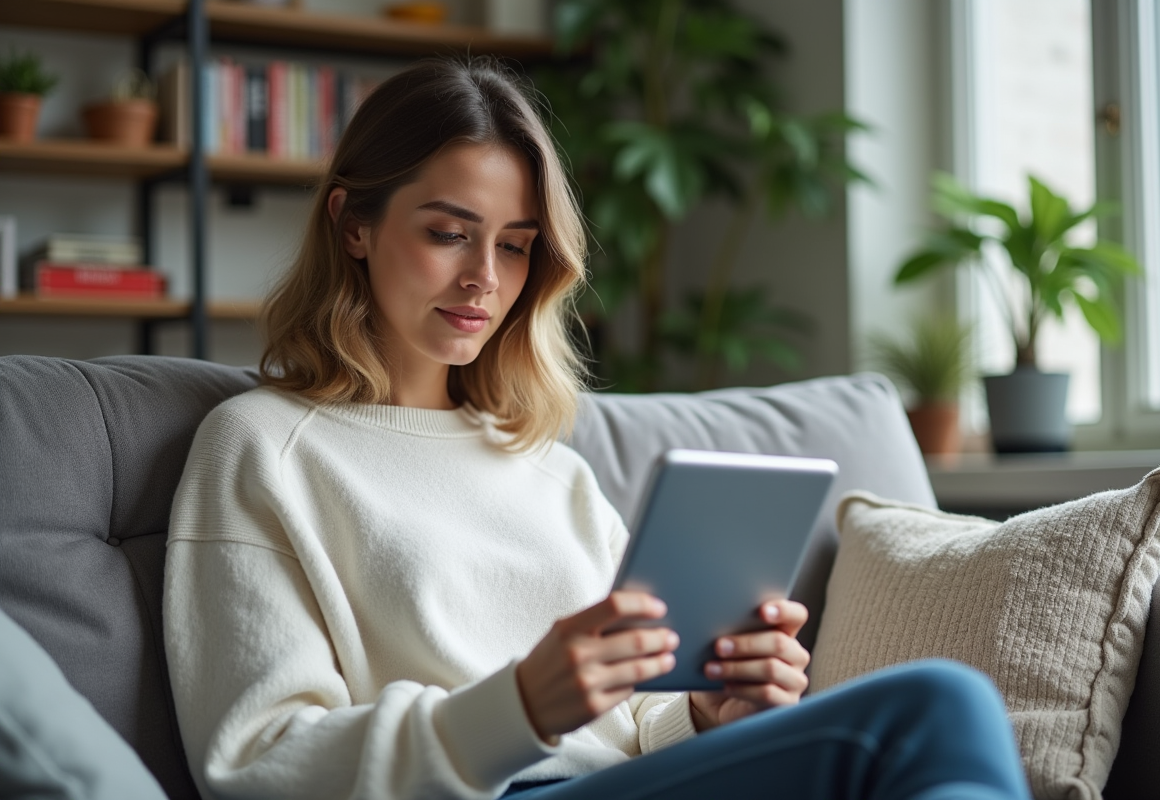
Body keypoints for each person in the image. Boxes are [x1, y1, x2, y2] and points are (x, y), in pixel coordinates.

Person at [164, 57, 1031, 800]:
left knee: (942, 713)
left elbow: (632, 722)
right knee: (938, 705)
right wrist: (518, 709)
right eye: (446, 234)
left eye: (513, 245)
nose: (483, 279)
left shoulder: (547, 470)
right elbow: (254, 766)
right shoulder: (262, 447)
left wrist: (704, 712)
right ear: (352, 223)